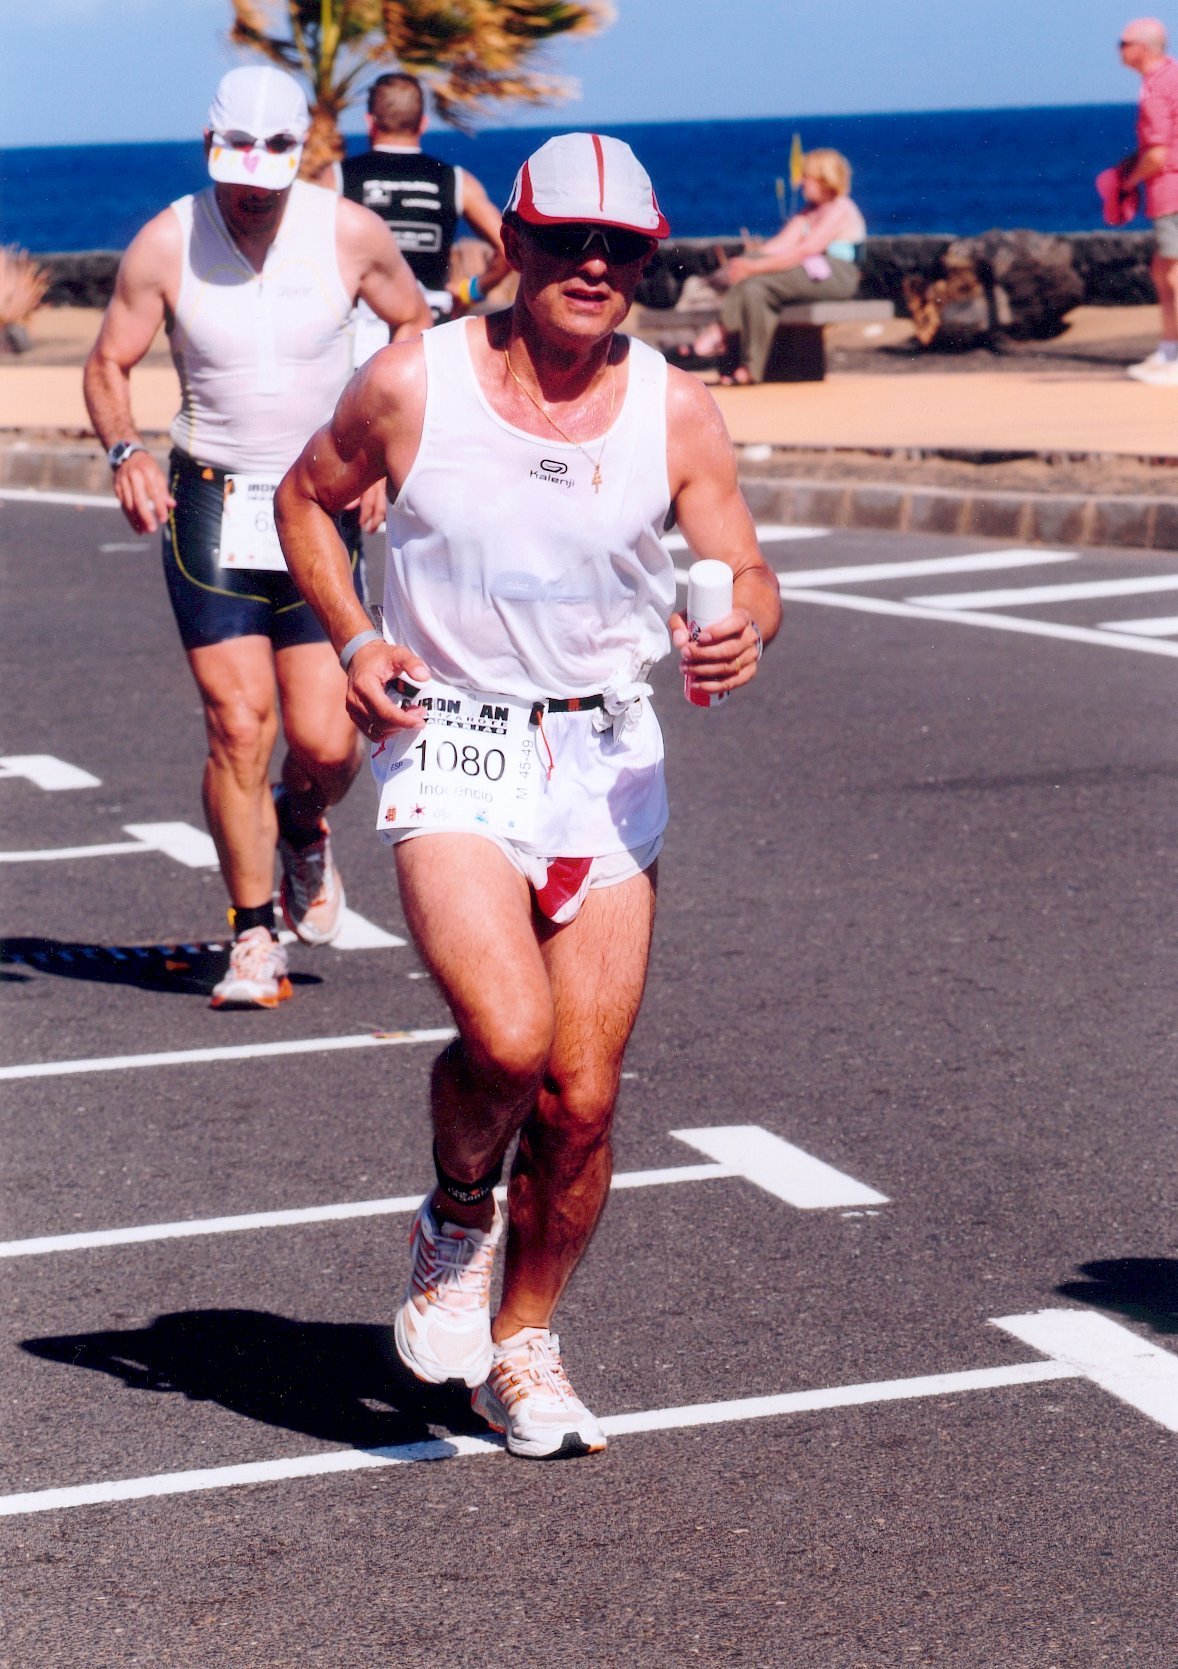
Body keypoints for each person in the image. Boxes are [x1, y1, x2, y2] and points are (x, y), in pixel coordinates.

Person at [275, 132, 781, 1459]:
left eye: (622, 251)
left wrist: (745, 627)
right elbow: (301, 503)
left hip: (606, 760)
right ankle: (455, 1214)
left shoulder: (673, 408)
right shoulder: (410, 382)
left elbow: (742, 561)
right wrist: (353, 637)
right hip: (451, 743)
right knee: (505, 1038)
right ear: (514, 245)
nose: (593, 268)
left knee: (582, 1095)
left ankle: (522, 1344)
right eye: (566, 242)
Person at [83, 65, 431, 1009]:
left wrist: (385, 461)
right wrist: (125, 450)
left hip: (315, 501)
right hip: (211, 498)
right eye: (234, 170)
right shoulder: (165, 243)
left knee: (326, 738)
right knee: (239, 723)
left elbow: (413, 325)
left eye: (269, 175)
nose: (250, 192)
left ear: (299, 162)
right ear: (209, 150)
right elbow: (109, 361)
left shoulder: (350, 233)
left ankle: (304, 821)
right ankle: (251, 936)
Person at [326, 71, 510, 361]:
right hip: (430, 338)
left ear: (368, 122)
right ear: (423, 123)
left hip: (355, 341)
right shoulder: (456, 181)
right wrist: (470, 291)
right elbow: (508, 246)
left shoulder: (336, 179)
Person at [674, 147, 866, 385]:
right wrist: (746, 262)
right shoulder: (808, 212)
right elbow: (778, 246)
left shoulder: (840, 209)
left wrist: (754, 268)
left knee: (758, 279)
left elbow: (806, 250)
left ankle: (716, 334)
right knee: (755, 288)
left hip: (835, 273)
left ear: (823, 179)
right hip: (809, 269)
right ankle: (746, 366)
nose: (800, 183)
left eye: (806, 177)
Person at [1116, 19, 1178, 383]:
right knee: (1161, 269)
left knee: (1173, 273)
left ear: (1142, 47)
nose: (1120, 50)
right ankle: (1169, 349)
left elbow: (1156, 154)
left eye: (1123, 43)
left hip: (1171, 187)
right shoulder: (1171, 75)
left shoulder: (1155, 89)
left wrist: (1128, 181)